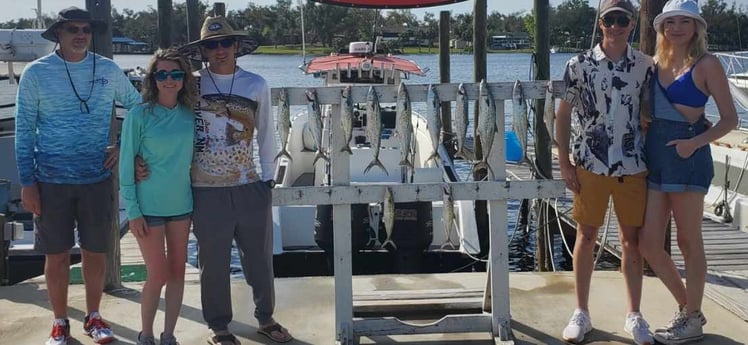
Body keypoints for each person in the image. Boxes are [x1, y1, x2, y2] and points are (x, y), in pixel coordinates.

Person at [14, 7, 141, 345]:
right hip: (50, 180)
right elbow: (24, 131)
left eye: (85, 29)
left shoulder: (110, 70)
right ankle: (59, 322)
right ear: (59, 33)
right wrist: (27, 182)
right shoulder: (36, 73)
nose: (80, 34)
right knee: (55, 255)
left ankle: (94, 316)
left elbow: (140, 107)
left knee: (95, 251)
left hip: (96, 179)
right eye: (72, 29)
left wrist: (123, 144)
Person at [178, 16, 292, 344]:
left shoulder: (256, 84)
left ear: (236, 46)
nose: (219, 50)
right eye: (211, 45)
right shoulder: (192, 84)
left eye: (224, 43)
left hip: (250, 185)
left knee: (258, 259)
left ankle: (266, 317)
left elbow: (267, 133)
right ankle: (219, 324)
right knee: (212, 262)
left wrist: (268, 179)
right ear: (203, 50)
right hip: (205, 189)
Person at [554, 0, 655, 344]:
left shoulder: (645, 65)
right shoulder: (578, 64)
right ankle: (580, 312)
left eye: (621, 20)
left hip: (632, 165)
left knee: (631, 242)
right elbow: (563, 114)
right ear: (600, 24)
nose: (614, 26)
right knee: (585, 236)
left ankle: (634, 314)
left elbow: (657, 108)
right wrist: (564, 161)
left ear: (631, 24)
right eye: (608, 20)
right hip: (590, 164)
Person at [639, 1, 738, 344]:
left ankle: (691, 320)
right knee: (649, 244)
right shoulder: (654, 63)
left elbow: (730, 119)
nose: (676, 28)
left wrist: (693, 145)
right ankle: (690, 310)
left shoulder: (707, 64)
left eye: (685, 21)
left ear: (697, 28)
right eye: (670, 22)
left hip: (688, 157)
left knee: (687, 240)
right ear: (662, 28)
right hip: (656, 161)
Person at [119, 48, 197, 345]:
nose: (169, 79)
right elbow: (126, 163)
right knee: (158, 275)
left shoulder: (191, 115)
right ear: (152, 79)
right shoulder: (139, 115)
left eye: (176, 74)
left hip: (182, 206)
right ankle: (146, 334)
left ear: (183, 79)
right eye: (162, 74)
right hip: (148, 208)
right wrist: (133, 210)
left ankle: (168, 335)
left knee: (178, 273)